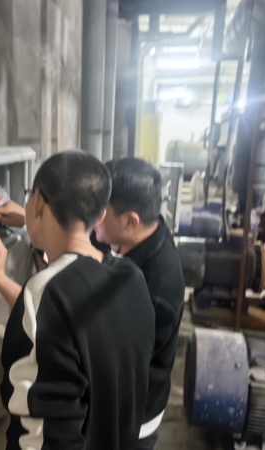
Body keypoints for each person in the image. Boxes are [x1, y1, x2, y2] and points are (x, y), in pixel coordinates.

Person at [0, 157, 185, 450]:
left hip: (136, 420)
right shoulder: (132, 275)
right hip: (117, 425)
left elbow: (40, 432)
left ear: (38, 202)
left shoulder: (161, 283)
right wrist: (31, 219)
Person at [92, 158, 185, 450]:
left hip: (130, 421)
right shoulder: (137, 232)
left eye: (100, 212)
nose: (92, 219)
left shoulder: (157, 289)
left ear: (131, 221)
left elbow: (108, 358)